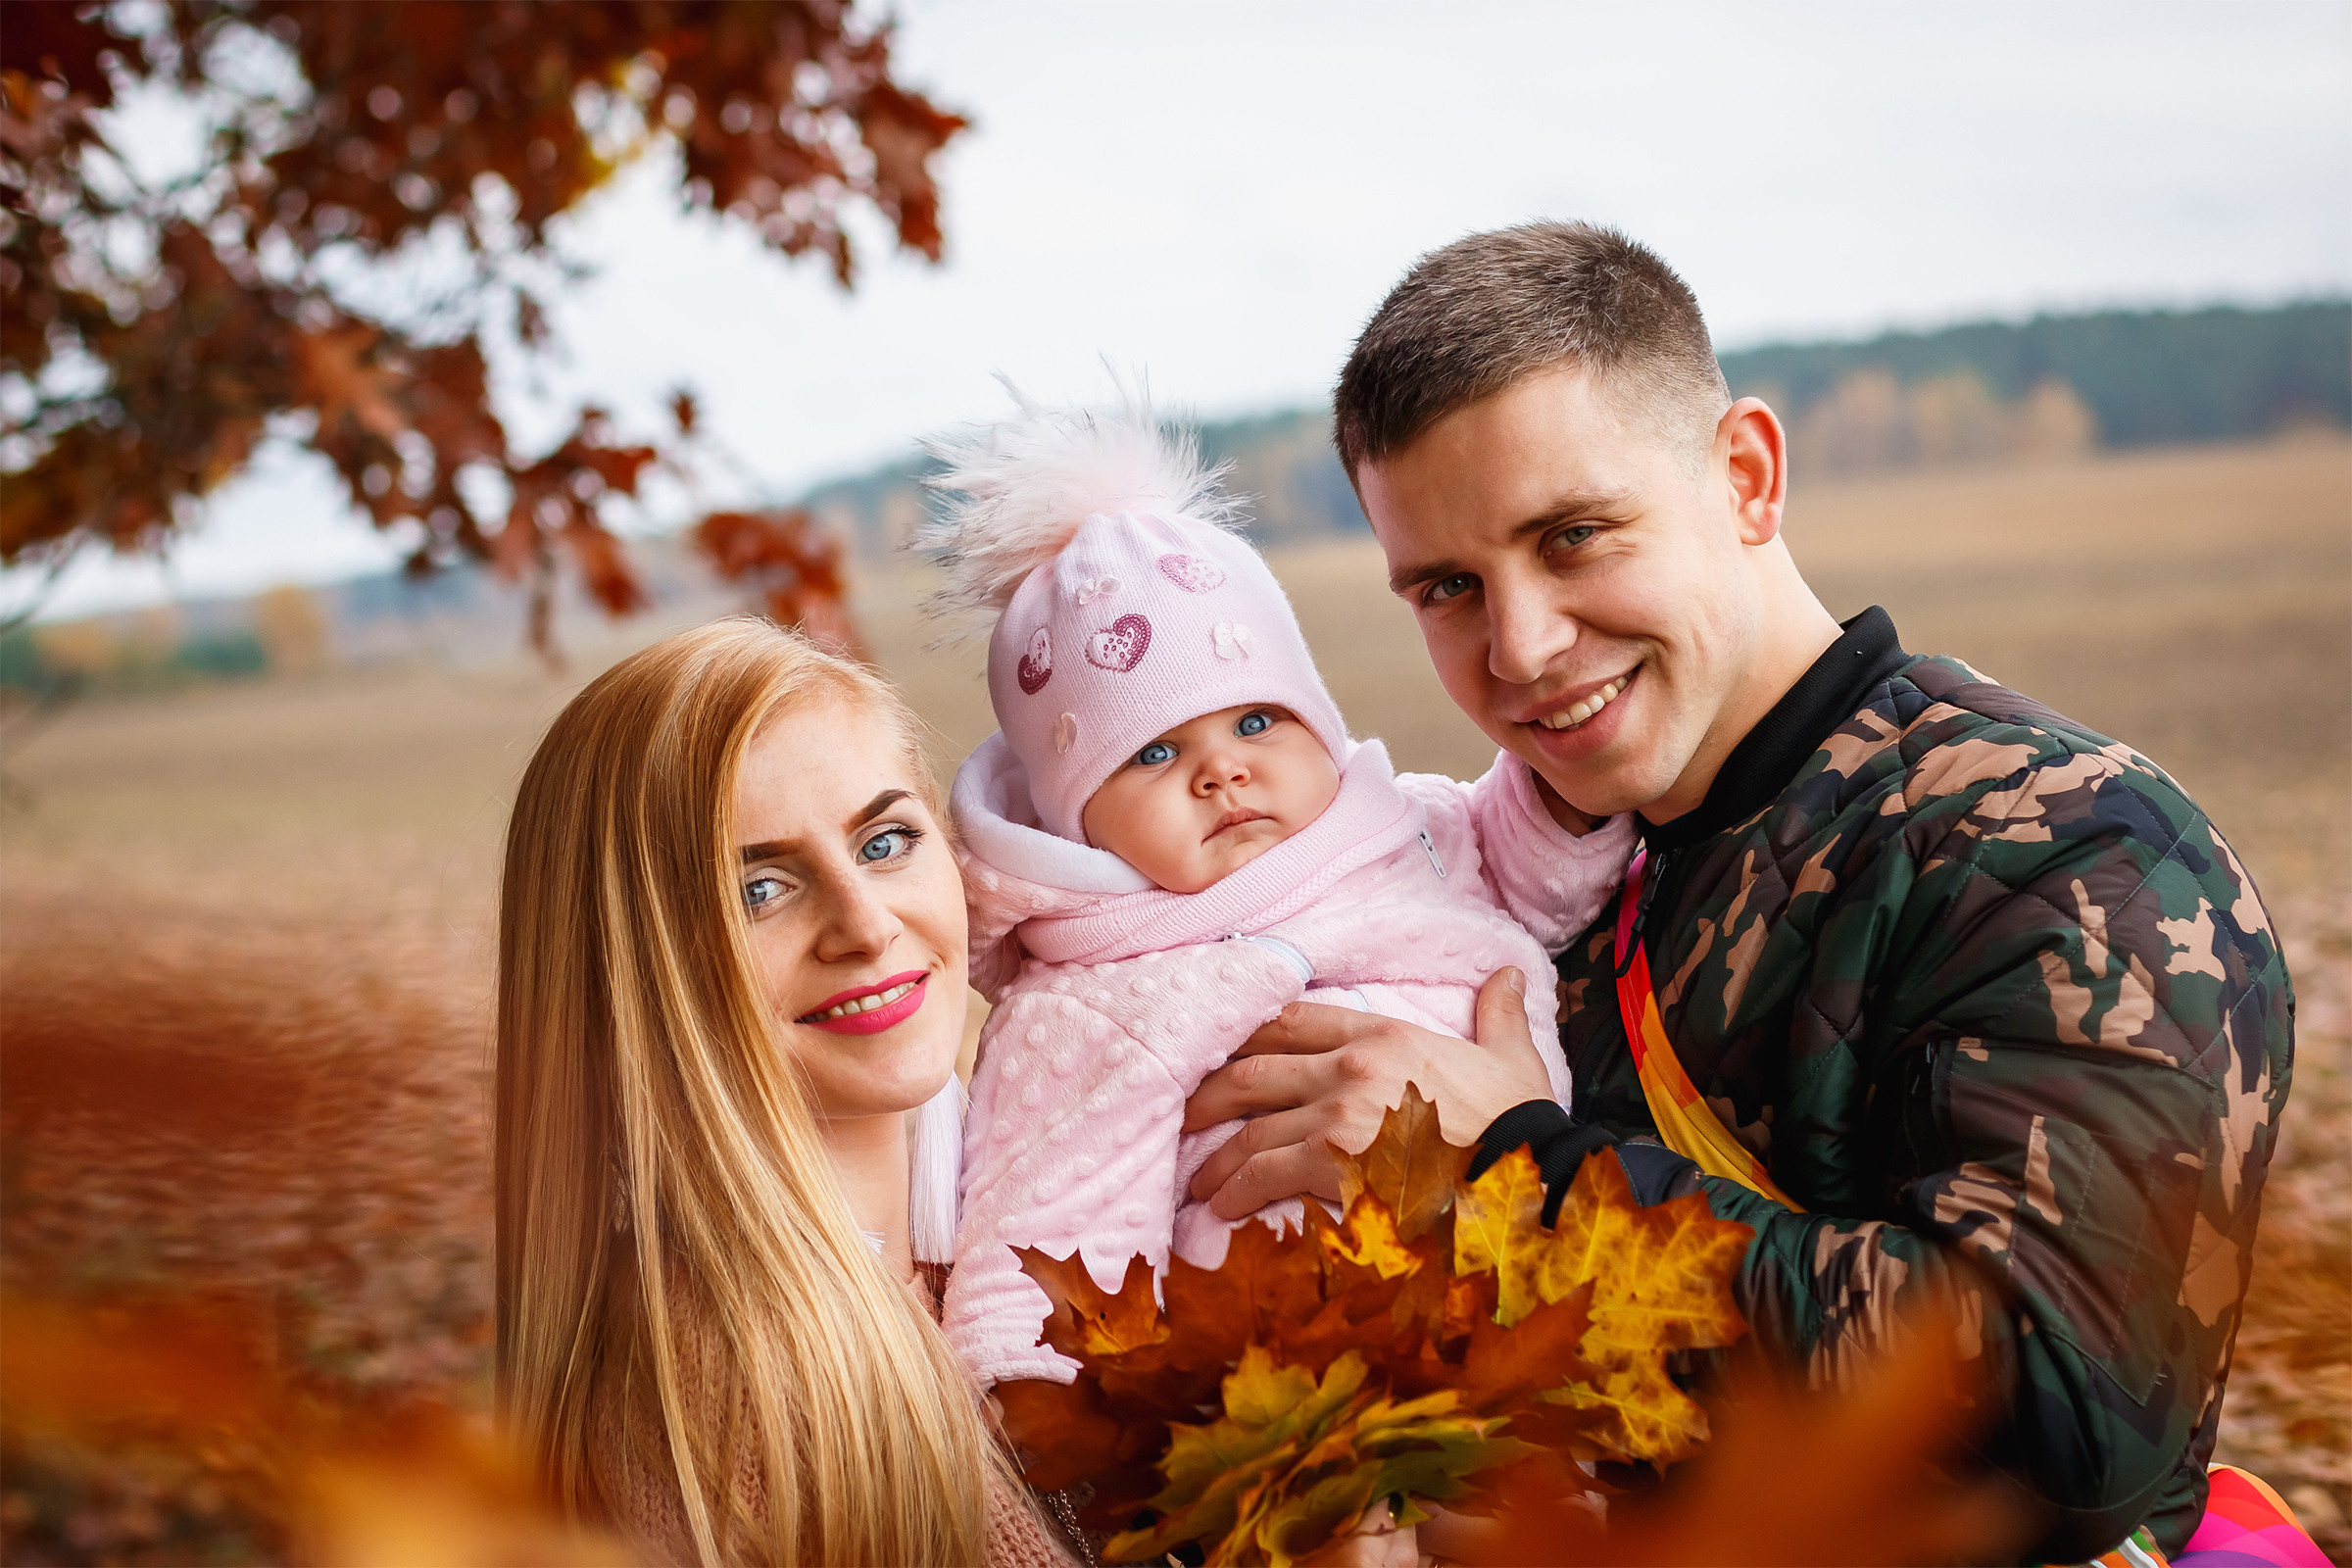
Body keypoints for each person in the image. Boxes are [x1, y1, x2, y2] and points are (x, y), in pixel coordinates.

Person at [1181, 221, 2292, 1562]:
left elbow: (2063, 1425)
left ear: (1747, 478)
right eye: (1449, 587)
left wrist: (1513, 1170)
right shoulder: (1496, 877)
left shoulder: (2064, 847)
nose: (1519, 647)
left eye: (1575, 536)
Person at [916, 392, 1633, 1389]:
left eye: (1255, 722)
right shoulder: (1093, 1004)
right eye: (1154, 753)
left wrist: (1579, 791)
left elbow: (1550, 872)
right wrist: (1067, 1425)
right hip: (1301, 1398)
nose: (1222, 771)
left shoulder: (1416, 829)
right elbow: (1042, 1262)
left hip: (1531, 1308)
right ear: (1074, 823)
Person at [492, 618, 1085, 1566]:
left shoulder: (1072, 1197)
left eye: (886, 841)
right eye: (758, 891)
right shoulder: (718, 1404)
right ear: (627, 975)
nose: (866, 924)